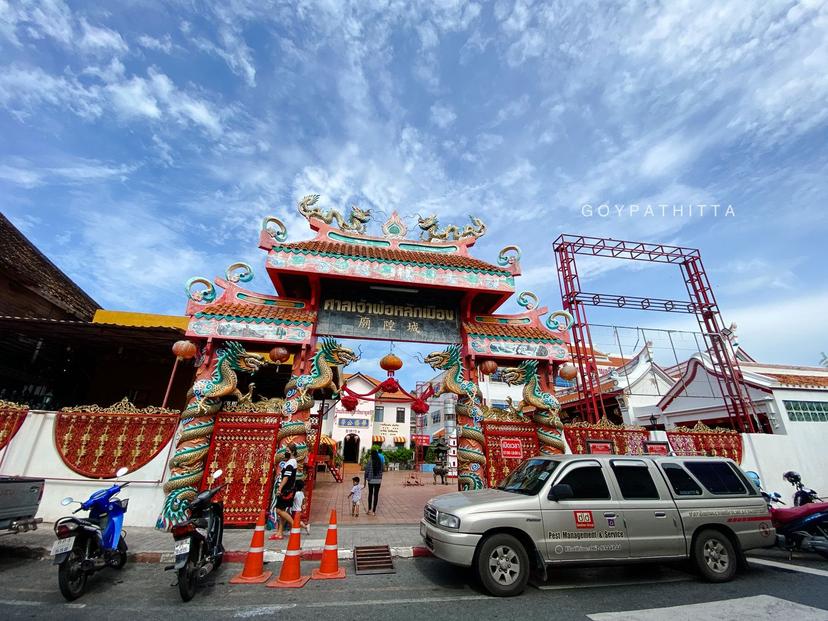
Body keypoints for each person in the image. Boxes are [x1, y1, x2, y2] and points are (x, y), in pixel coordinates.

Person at [270, 447, 298, 540]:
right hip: (287, 489)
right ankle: (279, 533)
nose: (286, 452)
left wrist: (280, 488)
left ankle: (295, 526)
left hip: (285, 490)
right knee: (282, 512)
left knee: (279, 510)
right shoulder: (291, 462)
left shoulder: (291, 463)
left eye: (287, 451)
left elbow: (286, 477)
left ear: (293, 452)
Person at [364, 448, 383, 516]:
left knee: (370, 494)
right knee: (376, 495)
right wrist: (380, 478)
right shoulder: (380, 461)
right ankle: (374, 511)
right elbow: (381, 471)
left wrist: (365, 480)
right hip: (378, 481)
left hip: (371, 480)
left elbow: (366, 471)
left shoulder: (370, 461)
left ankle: (369, 510)